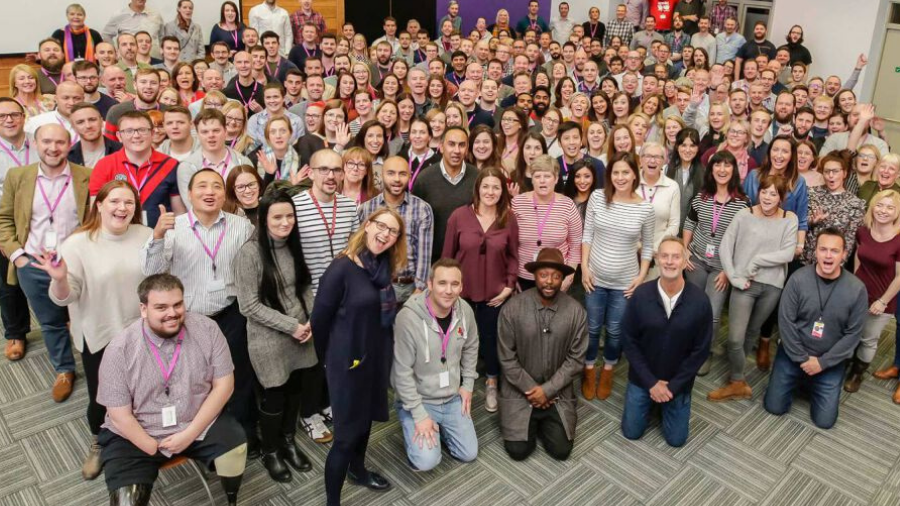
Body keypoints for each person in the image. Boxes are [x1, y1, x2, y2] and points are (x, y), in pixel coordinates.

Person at [31, 180, 151, 480]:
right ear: (98, 205)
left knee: (141, 391)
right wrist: (58, 278)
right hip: (100, 335)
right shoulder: (77, 244)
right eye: (115, 201)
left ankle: (137, 439)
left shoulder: (146, 236)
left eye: (128, 203)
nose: (122, 208)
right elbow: (65, 296)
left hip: (141, 333)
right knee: (103, 398)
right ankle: (99, 442)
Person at [96, 273, 246, 506]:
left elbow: (224, 386)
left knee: (235, 448)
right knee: (126, 501)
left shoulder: (208, 329)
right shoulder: (119, 349)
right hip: (138, 432)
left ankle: (232, 499)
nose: (172, 313)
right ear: (143, 309)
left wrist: (188, 435)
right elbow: (120, 415)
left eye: (178, 304)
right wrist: (151, 446)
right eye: (161, 307)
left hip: (195, 419)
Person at [142, 168, 259, 456]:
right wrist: (157, 237)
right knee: (195, 379)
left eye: (217, 187)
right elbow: (151, 276)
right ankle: (200, 434)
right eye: (202, 186)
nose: (210, 192)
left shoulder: (241, 226)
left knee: (239, 375)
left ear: (224, 193)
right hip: (191, 320)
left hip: (231, 314)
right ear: (189, 194)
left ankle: (245, 431)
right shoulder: (173, 227)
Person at [311, 207, 406, 506]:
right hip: (347, 363)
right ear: (367, 225)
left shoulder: (380, 266)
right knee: (345, 437)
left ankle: (358, 471)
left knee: (365, 423)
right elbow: (318, 321)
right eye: (380, 226)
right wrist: (331, 363)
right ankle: (332, 502)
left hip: (374, 358)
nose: (384, 234)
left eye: (392, 231)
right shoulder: (341, 268)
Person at [0, 124, 90, 402]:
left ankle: (97, 367)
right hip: (34, 266)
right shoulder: (18, 176)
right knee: (50, 322)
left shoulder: (85, 176)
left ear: (69, 144)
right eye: (47, 142)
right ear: (36, 144)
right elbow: (3, 220)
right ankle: (64, 369)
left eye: (60, 142)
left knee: (86, 317)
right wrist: (19, 257)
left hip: (75, 264)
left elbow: (92, 221)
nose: (53, 148)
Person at [235, 189, 316, 482]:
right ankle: (271, 451)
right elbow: (249, 305)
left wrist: (311, 320)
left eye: (290, 216)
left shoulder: (293, 244)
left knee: (296, 388)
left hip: (301, 331)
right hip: (268, 337)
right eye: (278, 216)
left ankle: (288, 440)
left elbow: (304, 286)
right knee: (274, 395)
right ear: (263, 218)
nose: (285, 222)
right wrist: (291, 325)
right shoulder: (250, 252)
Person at [763, 227, 868, 429]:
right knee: (773, 407)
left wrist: (822, 362)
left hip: (829, 361)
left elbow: (853, 334)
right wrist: (803, 359)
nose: (828, 255)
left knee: (825, 422)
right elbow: (785, 322)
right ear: (815, 252)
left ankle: (808, 382)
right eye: (823, 249)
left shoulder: (857, 289)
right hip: (793, 355)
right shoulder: (798, 279)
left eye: (835, 251)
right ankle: (803, 380)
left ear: (844, 254)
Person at [711, 175, 799, 401]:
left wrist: (757, 260)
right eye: (764, 192)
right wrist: (733, 276)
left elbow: (788, 253)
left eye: (774, 194)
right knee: (734, 338)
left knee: (752, 331)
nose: (768, 197)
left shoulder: (790, 219)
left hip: (772, 286)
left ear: (781, 197)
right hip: (744, 284)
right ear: (758, 192)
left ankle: (736, 377)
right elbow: (725, 246)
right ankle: (738, 380)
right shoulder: (745, 214)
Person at [621, 237, 712, 446]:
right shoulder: (641, 295)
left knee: (676, 440)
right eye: (664, 256)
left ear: (685, 260)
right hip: (643, 379)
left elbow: (701, 350)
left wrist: (673, 386)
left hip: (678, 383)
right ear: (657, 259)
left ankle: (663, 400)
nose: (670, 261)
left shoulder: (700, 301)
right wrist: (651, 384)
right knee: (631, 432)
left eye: (676, 256)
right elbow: (629, 341)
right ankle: (652, 399)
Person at [498, 248, 587, 461]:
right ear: (534, 275)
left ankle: (545, 419)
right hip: (520, 392)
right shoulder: (512, 309)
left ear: (563, 279)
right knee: (518, 451)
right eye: (544, 275)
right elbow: (506, 358)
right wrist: (533, 390)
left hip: (557, 394)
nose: (549, 281)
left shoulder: (576, 312)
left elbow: (576, 360)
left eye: (556, 276)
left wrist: (547, 390)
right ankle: (529, 419)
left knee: (561, 451)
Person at [392, 258, 479, 471]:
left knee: (468, 453)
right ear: (430, 284)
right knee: (427, 461)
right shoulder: (408, 318)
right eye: (442, 283)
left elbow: (471, 347)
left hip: (451, 398)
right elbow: (400, 374)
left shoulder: (465, 311)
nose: (448, 290)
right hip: (420, 400)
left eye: (455, 284)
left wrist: (467, 385)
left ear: (461, 286)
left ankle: (440, 428)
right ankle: (415, 424)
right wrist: (420, 416)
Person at [443, 167, 519, 413]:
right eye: (485, 186)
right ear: (477, 189)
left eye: (496, 187)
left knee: (490, 340)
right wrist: (446, 289)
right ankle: (451, 385)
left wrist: (508, 287)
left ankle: (491, 382)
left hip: (494, 295)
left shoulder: (509, 217)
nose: (490, 191)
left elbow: (513, 257)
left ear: (503, 190)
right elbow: (447, 256)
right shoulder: (459, 216)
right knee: (456, 341)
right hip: (460, 295)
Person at [581, 152, 655, 400]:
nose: (620, 177)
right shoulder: (597, 198)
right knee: (591, 328)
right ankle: (589, 368)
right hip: (594, 278)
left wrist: (642, 276)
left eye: (626, 172)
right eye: (616, 172)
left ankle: (609, 369)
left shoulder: (645, 208)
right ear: (609, 175)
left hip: (625, 282)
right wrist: (583, 267)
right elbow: (587, 235)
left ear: (635, 174)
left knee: (614, 330)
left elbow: (647, 246)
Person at [684, 152, 751, 375]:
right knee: (692, 308)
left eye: (727, 165)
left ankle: (705, 351)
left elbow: (744, 242)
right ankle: (690, 347)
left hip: (722, 268)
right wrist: (684, 250)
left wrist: (728, 271)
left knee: (712, 313)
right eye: (718, 165)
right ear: (711, 170)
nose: (722, 170)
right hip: (697, 261)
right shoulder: (701, 198)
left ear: (734, 170)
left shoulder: (742, 204)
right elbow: (690, 223)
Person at [359, 156, 434, 304]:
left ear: (410, 176)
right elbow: (360, 251)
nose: (397, 179)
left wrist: (419, 290)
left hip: (409, 288)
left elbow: (424, 255)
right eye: (391, 173)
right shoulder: (367, 209)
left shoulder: (422, 209)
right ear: (382, 175)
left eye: (402, 174)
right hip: (374, 286)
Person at [90, 111, 184, 228]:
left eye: (142, 130)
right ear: (119, 136)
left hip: (161, 238)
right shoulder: (104, 165)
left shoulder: (171, 165)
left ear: (153, 133)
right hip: (118, 239)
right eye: (129, 131)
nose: (136, 135)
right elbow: (94, 213)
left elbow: (180, 214)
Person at [849, 191, 900, 395]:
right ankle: (845, 362)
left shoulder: (898, 240)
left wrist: (882, 301)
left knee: (868, 338)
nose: (883, 211)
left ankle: (857, 374)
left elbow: (899, 277)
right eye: (880, 205)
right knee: (850, 331)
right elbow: (859, 257)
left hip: (882, 299)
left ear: (897, 213)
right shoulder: (863, 231)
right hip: (858, 293)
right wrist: (852, 282)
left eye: (890, 207)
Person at [293, 149, 360, 297]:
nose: (331, 176)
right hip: (309, 297)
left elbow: (355, 249)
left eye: (336, 170)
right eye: (324, 169)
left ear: (342, 175)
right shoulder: (294, 206)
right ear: (311, 173)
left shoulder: (350, 206)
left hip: (344, 294)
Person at [511, 155, 582, 292]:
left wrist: (569, 277)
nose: (542, 181)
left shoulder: (567, 205)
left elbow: (575, 245)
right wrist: (511, 278)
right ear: (532, 179)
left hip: (555, 278)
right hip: (522, 278)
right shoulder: (517, 203)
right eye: (537, 176)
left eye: (547, 176)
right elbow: (507, 243)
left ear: (556, 179)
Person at [0, 98, 36, 361]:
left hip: (41, 220)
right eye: (2, 116)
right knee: (8, 282)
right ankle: (16, 332)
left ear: (23, 116)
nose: (9, 120)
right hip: (6, 223)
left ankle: (63, 321)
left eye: (14, 114)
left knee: (53, 274)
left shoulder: (40, 141)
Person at [412, 127, 477, 262]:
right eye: (451, 144)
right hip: (432, 261)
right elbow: (415, 223)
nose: (457, 151)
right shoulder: (424, 179)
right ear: (441, 147)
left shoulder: (478, 179)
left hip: (468, 259)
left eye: (462, 145)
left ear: (467, 148)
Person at [178, 109, 253, 204]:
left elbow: (249, 200)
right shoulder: (187, 167)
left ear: (225, 131)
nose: (211, 135)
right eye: (205, 132)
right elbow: (191, 205)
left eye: (216, 131)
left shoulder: (243, 163)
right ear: (197, 135)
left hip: (239, 217)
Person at [801, 154, 865, 266]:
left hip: (832, 264)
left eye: (835, 171)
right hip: (805, 262)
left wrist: (837, 265)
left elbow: (850, 240)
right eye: (827, 171)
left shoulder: (855, 204)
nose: (830, 175)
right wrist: (811, 222)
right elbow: (798, 224)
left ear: (844, 174)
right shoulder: (811, 193)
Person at [67, 103, 122, 169]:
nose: (88, 126)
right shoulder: (68, 157)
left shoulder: (122, 150)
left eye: (92, 120)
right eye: (80, 122)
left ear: (101, 122)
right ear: (73, 127)